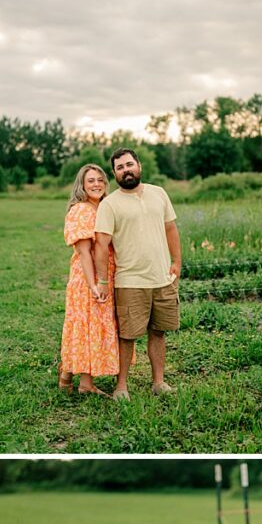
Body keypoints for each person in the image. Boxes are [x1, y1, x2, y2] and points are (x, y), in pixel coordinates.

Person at [93, 149, 182, 401]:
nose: (126, 170)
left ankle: (159, 382)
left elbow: (171, 228)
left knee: (159, 331)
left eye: (129, 164)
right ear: (114, 174)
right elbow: (101, 245)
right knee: (128, 336)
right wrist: (101, 280)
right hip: (130, 281)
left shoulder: (159, 193)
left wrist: (176, 262)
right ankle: (121, 387)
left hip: (162, 278)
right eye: (120, 167)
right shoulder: (109, 204)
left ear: (139, 165)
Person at [58, 164, 121, 396]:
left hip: (105, 274)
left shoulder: (104, 208)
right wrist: (94, 283)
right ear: (82, 186)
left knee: (93, 325)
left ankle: (74, 376)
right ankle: (80, 380)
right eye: (90, 181)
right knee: (87, 326)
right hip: (88, 277)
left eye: (100, 180)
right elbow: (84, 252)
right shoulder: (82, 210)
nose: (96, 184)